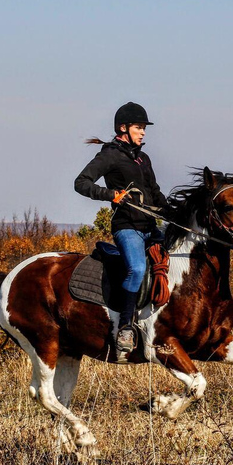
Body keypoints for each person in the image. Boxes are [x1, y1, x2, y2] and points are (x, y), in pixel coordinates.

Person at [74, 101, 169, 351]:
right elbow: (81, 183)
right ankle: (125, 327)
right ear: (124, 128)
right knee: (137, 269)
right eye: (139, 127)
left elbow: (155, 192)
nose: (144, 132)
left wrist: (173, 211)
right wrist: (110, 194)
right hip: (127, 227)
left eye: (144, 128)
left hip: (150, 226)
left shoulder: (143, 158)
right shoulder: (109, 155)